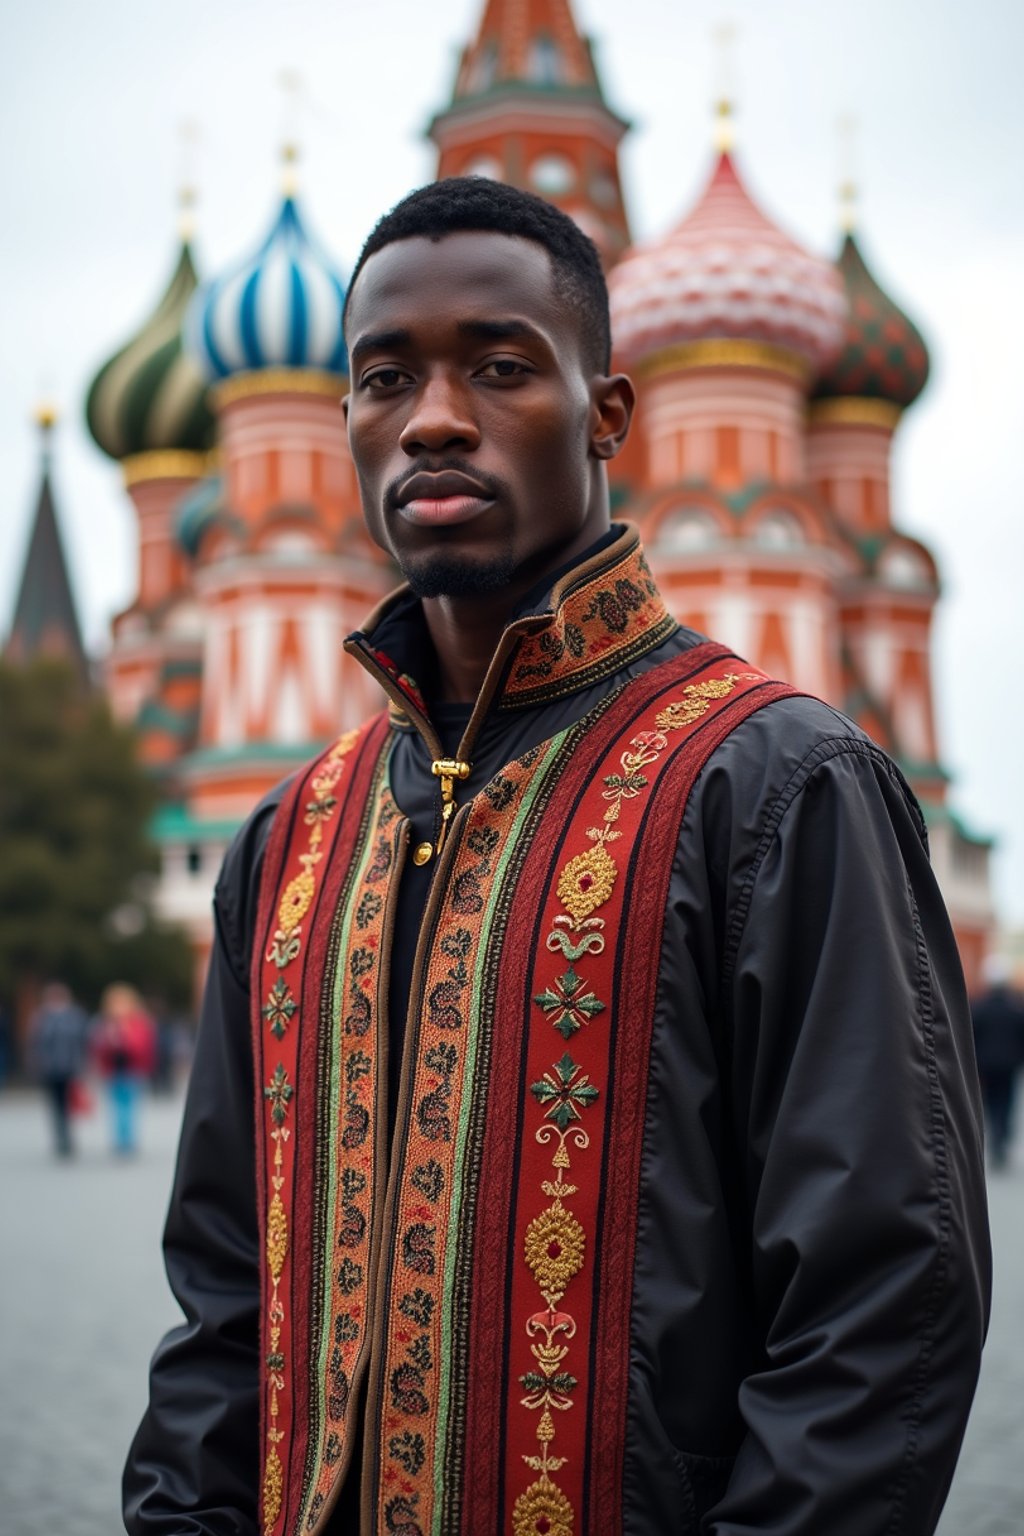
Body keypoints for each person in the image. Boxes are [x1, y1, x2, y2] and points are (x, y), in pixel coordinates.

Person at [125, 180, 990, 1536]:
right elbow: (227, 1297)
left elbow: (885, 1304)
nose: (433, 418)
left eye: (501, 366)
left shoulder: (772, 784)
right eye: (383, 378)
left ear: (609, 415)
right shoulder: (294, 839)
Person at [971, 956, 1024, 1168]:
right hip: (1009, 1066)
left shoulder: (978, 1007)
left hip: (985, 1066)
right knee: (1005, 1103)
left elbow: (971, 1037)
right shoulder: (1016, 1008)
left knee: (988, 1104)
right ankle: (1001, 1140)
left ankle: (994, 1142)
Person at [27, 981, 90, 1157]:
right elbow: (36, 1042)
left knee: (68, 1104)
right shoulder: (42, 1017)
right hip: (50, 1067)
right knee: (55, 1104)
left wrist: (83, 1064)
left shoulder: (74, 1016)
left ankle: (68, 1137)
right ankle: (59, 1138)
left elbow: (82, 1040)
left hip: (70, 1066)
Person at [92, 983, 156, 1155]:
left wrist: (123, 1036)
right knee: (116, 1106)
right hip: (113, 1069)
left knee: (130, 1105)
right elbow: (98, 1048)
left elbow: (142, 1047)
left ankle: (128, 1139)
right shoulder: (105, 1024)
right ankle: (120, 1139)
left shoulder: (138, 1022)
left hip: (133, 1069)